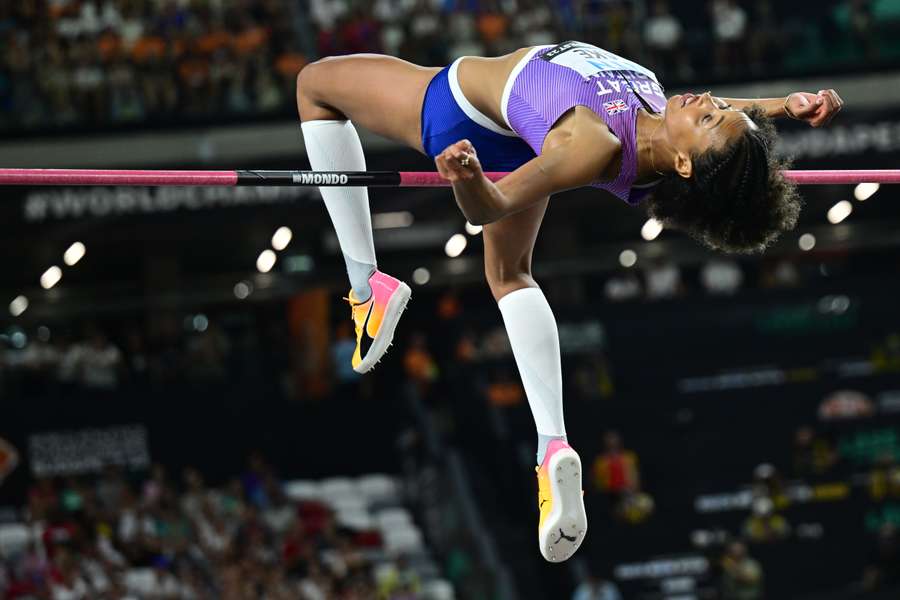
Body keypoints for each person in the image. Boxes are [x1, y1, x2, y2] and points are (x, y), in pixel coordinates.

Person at [295, 40, 843, 562]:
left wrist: (466, 177)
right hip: (522, 132)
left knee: (315, 84)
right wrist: (785, 107)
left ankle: (366, 287)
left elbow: (491, 206)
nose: (707, 103)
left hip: (465, 115)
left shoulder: (593, 142)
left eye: (706, 118)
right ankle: (552, 448)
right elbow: (724, 119)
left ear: (682, 164)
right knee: (509, 275)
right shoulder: (663, 116)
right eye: (716, 109)